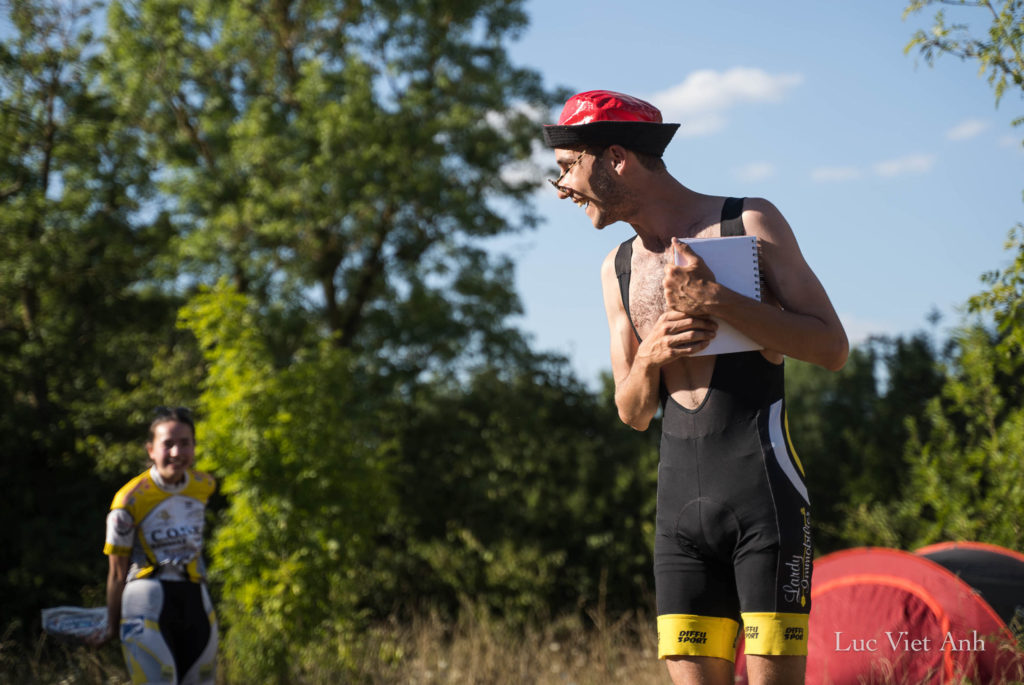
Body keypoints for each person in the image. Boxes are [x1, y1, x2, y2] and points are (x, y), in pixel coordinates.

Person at [543, 90, 848, 685]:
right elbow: (632, 413)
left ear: (616, 158)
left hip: (765, 498)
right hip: (678, 510)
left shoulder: (747, 221)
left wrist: (719, 302)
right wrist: (651, 356)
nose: (560, 187)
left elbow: (831, 348)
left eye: (567, 167)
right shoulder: (618, 267)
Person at [86, 406, 218, 684]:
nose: (176, 453)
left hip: (196, 597)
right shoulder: (128, 501)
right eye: (167, 444)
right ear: (150, 450)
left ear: (194, 447)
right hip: (146, 599)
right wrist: (112, 626)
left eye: (184, 444)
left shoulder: (204, 485)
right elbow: (117, 573)